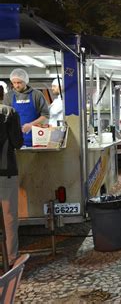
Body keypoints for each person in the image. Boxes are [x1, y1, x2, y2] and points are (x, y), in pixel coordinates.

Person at [0, 104, 23, 265]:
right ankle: (11, 257)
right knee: (9, 217)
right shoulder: (9, 112)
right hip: (5, 170)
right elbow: (17, 142)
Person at [4, 69, 49, 147]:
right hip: (16, 140)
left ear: (25, 81)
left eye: (19, 82)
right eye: (14, 83)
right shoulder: (8, 96)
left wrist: (31, 125)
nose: (16, 85)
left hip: (37, 138)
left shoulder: (37, 95)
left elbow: (45, 115)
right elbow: (6, 118)